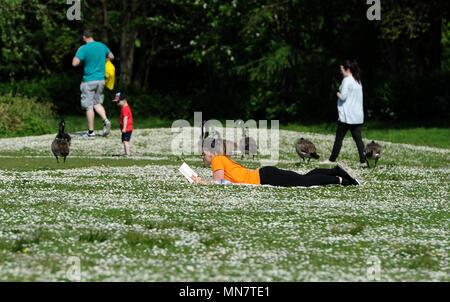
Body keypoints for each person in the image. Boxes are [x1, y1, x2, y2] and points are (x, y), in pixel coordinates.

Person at [191, 138, 360, 187]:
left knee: (304, 182)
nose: (202, 157)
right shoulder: (223, 159)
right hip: (265, 174)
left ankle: (341, 180)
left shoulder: (217, 159)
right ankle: (334, 172)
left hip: (265, 177)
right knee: (303, 178)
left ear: (213, 153)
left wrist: (200, 182)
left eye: (203, 154)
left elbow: (219, 182)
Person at [321, 60, 367, 167]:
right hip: (357, 116)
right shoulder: (357, 81)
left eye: (342, 70)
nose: (341, 72)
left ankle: (332, 159)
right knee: (358, 139)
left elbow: (343, 96)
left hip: (347, 116)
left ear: (347, 69)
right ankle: (363, 161)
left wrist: (337, 93)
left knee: (339, 138)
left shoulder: (347, 80)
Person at [72, 29, 114, 138]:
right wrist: (102, 60)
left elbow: (74, 63)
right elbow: (112, 56)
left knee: (89, 106)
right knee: (97, 103)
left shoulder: (84, 48)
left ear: (83, 37)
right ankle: (105, 120)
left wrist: (80, 55)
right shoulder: (101, 45)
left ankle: (91, 132)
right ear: (92, 36)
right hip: (101, 80)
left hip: (89, 80)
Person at [112, 92, 133, 157]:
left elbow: (125, 118)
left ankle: (128, 154)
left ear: (124, 101)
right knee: (124, 141)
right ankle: (126, 153)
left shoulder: (125, 109)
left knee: (125, 141)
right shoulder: (125, 108)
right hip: (127, 128)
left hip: (127, 128)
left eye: (118, 101)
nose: (117, 103)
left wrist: (124, 128)